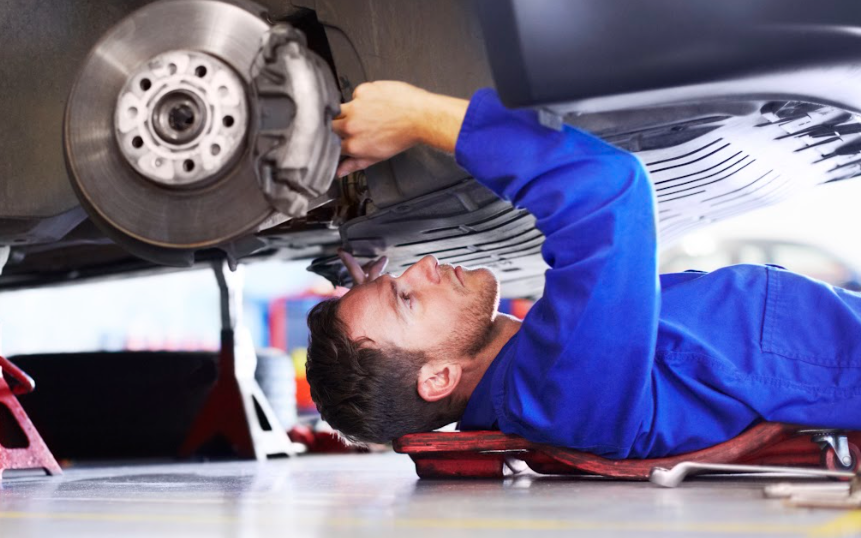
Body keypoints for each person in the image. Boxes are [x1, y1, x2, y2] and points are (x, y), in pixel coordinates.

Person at [305, 81, 861, 460]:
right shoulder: (558, 390)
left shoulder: (535, 381)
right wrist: (419, 115)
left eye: (400, 277)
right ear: (439, 379)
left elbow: (402, 355)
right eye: (408, 297)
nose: (422, 265)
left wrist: (377, 299)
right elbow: (608, 191)